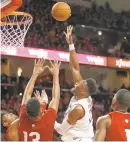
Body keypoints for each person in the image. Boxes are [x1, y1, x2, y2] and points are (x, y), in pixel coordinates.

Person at [54, 25, 98, 142]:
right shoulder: (83, 94)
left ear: (83, 90)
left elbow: (61, 130)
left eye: (79, 84)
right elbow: (74, 68)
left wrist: (47, 117)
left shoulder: (78, 108)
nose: (75, 83)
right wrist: (70, 44)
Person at [18, 59, 61, 141]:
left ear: (26, 111)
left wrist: (35, 74)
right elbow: (56, 97)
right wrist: (56, 75)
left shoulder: (23, 117)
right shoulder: (48, 121)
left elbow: (27, 94)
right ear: (41, 110)